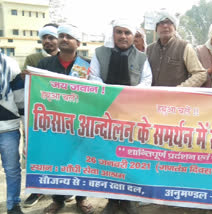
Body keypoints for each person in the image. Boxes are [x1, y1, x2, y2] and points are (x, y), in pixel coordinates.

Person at [89, 19, 151, 214]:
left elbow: (147, 81)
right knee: (108, 158)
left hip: (131, 115)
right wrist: (111, 95)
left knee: (129, 156)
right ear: (113, 34)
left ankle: (127, 199)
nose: (123, 36)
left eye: (127, 33)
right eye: (119, 32)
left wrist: (126, 96)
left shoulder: (141, 58)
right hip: (106, 113)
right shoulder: (99, 53)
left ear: (133, 36)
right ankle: (113, 200)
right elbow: (94, 77)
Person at [37, 24, 94, 214]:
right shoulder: (44, 65)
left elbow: (98, 93)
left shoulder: (88, 65)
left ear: (78, 43)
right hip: (54, 124)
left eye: (69, 36)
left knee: (80, 160)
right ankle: (58, 199)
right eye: (61, 35)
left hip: (80, 123)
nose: (64, 39)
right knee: (56, 160)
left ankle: (81, 199)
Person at [22, 23, 59, 208]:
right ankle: (36, 190)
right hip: (40, 116)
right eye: (44, 38)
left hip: (63, 118)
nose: (47, 41)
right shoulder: (33, 58)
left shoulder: (70, 60)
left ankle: (61, 191)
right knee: (38, 153)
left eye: (51, 37)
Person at [146, 10, 207, 87]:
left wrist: (180, 89)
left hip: (176, 98)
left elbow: (200, 74)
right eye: (161, 23)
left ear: (175, 27)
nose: (165, 26)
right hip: (153, 97)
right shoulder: (149, 49)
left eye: (169, 22)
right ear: (156, 28)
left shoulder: (184, 47)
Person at [0, 51, 25, 214]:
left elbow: (20, 98)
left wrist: (26, 126)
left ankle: (13, 205)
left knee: (12, 168)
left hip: (7, 127)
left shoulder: (9, 64)